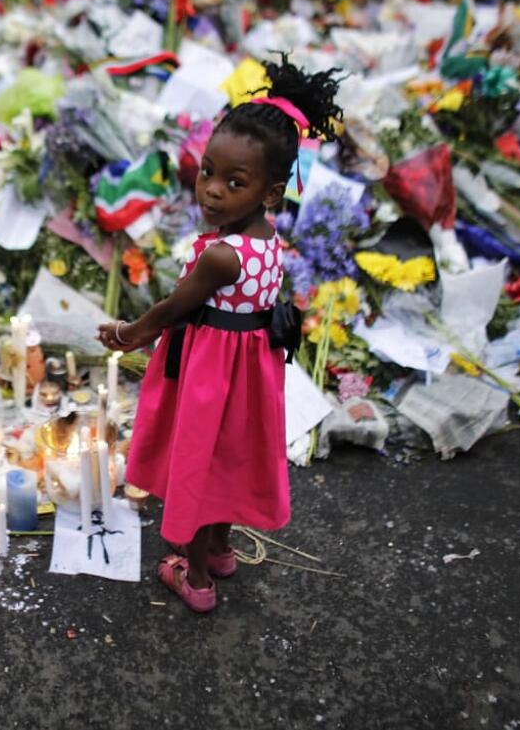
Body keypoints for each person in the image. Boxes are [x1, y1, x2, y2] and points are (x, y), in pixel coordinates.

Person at [98, 57, 342, 612]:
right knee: (228, 461)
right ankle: (225, 548)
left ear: (272, 192)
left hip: (207, 372)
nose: (211, 191)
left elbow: (171, 311)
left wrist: (127, 332)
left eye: (235, 183)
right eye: (207, 172)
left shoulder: (221, 256)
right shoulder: (266, 239)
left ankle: (198, 576)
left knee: (200, 467)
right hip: (249, 373)